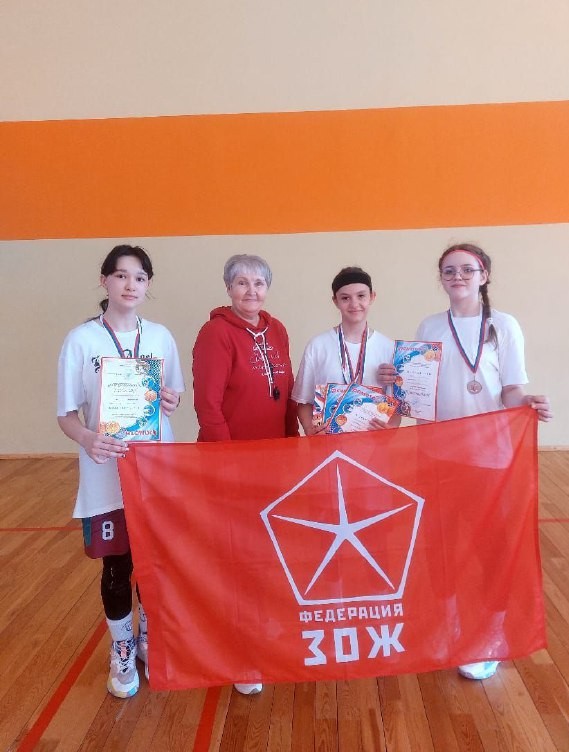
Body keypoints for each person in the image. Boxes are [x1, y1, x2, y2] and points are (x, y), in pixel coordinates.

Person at [380, 242, 552, 680]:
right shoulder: (430, 325)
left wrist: (527, 403)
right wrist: (396, 383)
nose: (458, 277)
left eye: (467, 270)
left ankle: (490, 634)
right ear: (441, 278)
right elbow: (420, 389)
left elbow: (511, 389)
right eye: (449, 271)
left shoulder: (504, 325)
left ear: (484, 275)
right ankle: (449, 626)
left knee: (490, 547)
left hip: (489, 455)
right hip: (437, 451)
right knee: (439, 543)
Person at [57, 245, 184, 699]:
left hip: (156, 470)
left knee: (153, 560)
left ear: (148, 285)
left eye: (140, 278)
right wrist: (87, 438)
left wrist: (171, 399)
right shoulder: (81, 340)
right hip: (105, 471)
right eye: (122, 276)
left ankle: (147, 636)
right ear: (105, 280)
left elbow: (173, 397)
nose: (131, 285)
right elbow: (66, 415)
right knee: (118, 563)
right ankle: (123, 647)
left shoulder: (161, 337)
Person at [192, 253, 298, 694]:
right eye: (241, 282)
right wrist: (228, 462)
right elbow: (207, 405)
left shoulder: (278, 330)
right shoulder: (215, 333)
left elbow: (287, 394)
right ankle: (239, 652)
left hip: (272, 462)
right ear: (228, 288)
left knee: (266, 553)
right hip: (231, 464)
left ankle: (263, 630)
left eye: (258, 283)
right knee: (236, 557)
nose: (251, 291)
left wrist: (291, 447)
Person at [293, 266, 395, 434]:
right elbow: (304, 402)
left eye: (361, 296)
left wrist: (390, 430)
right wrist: (310, 431)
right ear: (335, 301)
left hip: (375, 445)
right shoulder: (317, 346)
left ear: (372, 297)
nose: (354, 304)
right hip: (328, 445)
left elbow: (395, 407)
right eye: (345, 298)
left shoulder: (389, 348)